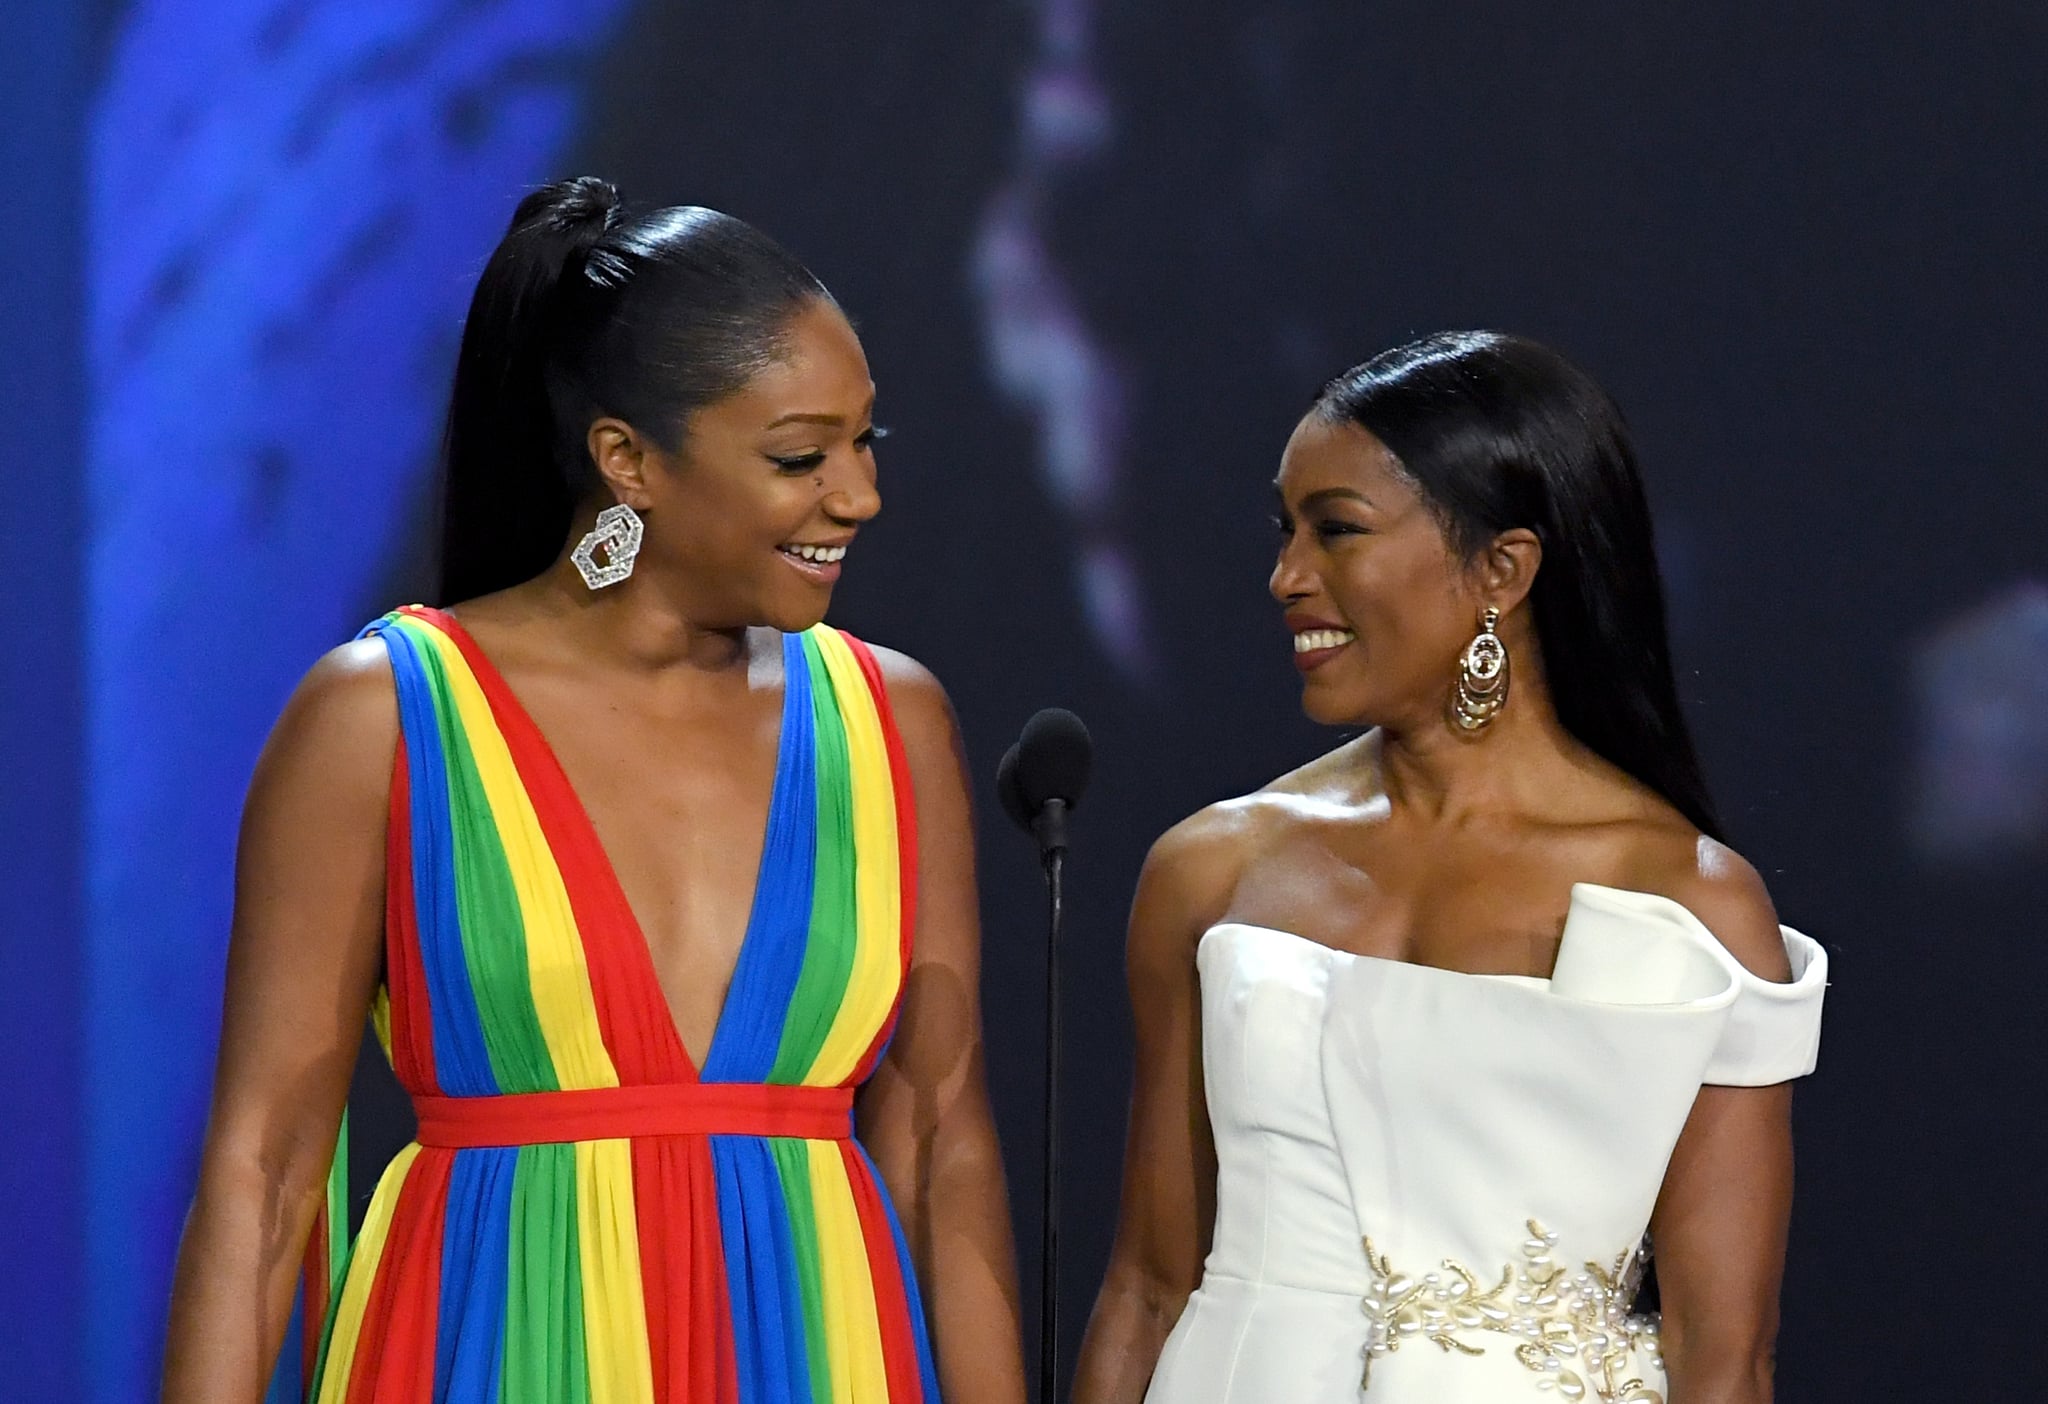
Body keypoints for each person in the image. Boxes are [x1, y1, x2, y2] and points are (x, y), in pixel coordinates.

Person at [162, 177, 1025, 1404]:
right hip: (487, 1349)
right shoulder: (383, 714)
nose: (858, 497)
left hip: (819, 1359)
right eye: (799, 456)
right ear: (626, 459)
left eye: (863, 441)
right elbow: (266, 1168)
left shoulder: (890, 718)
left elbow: (942, 1146)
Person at [1072, 331, 1826, 1404]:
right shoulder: (1211, 870)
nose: (1286, 577)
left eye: (1335, 532)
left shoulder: (1686, 903)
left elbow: (1724, 1352)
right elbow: (1147, 1288)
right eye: (1285, 532)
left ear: (1501, 570)